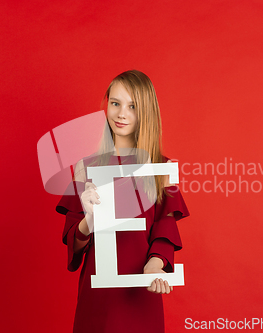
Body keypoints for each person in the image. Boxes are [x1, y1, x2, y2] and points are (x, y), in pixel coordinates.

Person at [56, 70, 189, 333]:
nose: (121, 114)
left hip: (141, 290)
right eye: (115, 103)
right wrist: (89, 220)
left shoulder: (161, 169)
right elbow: (75, 243)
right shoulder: (86, 167)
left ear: (146, 112)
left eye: (132, 106)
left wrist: (156, 263)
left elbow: (165, 226)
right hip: (99, 297)